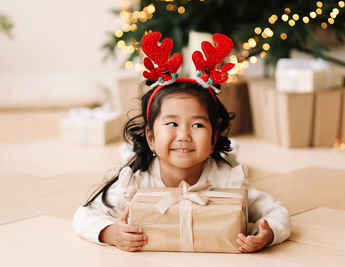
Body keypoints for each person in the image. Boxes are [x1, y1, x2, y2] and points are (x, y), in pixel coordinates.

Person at [72, 32, 291, 253]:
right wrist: (110, 233)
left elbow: (275, 211)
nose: (184, 135)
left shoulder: (227, 179)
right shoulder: (136, 182)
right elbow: (84, 215)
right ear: (150, 137)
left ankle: (229, 151)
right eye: (172, 124)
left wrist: (268, 233)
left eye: (197, 125)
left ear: (214, 138)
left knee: (233, 162)